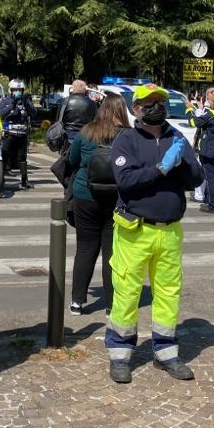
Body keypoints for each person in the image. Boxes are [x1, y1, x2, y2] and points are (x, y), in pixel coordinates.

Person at [105, 83, 204, 384]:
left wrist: (181, 163)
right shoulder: (127, 139)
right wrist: (161, 168)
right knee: (127, 293)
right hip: (136, 229)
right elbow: (126, 180)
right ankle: (120, 355)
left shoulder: (177, 137)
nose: (156, 106)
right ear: (136, 109)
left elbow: (196, 178)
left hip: (170, 230)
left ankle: (166, 352)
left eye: (160, 101)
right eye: (148, 102)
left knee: (168, 293)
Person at [67, 93, 129, 315]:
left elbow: (72, 160)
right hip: (116, 197)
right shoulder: (128, 135)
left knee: (85, 248)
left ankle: (77, 301)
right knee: (112, 251)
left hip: (85, 194)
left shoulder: (86, 132)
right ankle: (111, 304)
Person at [0, 78, 37, 189]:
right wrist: (12, 105)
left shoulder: (25, 101)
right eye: (15, 90)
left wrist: (27, 103)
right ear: (10, 90)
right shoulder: (6, 101)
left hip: (22, 133)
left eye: (20, 90)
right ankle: (0, 180)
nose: (17, 92)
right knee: (5, 156)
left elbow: (34, 113)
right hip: (9, 133)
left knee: (22, 158)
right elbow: (0, 114)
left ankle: (24, 181)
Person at [58, 80, 99, 148]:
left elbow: (58, 119)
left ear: (72, 88)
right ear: (85, 89)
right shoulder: (92, 103)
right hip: (86, 136)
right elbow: (95, 121)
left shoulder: (64, 101)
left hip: (67, 136)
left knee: (67, 154)